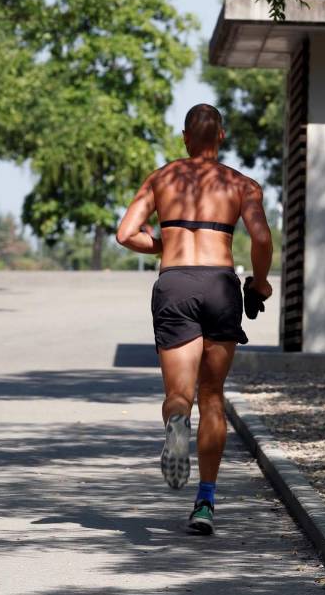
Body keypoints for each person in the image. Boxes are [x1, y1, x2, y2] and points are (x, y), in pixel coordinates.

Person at [116, 104, 273, 535]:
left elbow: (125, 233)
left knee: (179, 394)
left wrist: (164, 245)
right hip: (220, 285)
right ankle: (205, 502)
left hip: (176, 285)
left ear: (185, 137)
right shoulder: (242, 185)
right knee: (213, 396)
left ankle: (176, 423)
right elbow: (261, 238)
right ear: (221, 135)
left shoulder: (161, 178)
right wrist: (260, 283)